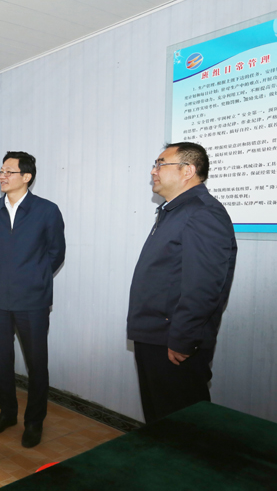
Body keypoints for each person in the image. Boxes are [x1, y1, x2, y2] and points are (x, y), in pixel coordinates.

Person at [127, 142, 237, 424]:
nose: (153, 171)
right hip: (155, 335)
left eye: (160, 164)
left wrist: (183, 339)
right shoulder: (174, 210)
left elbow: (204, 286)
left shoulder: (203, 212)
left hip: (173, 342)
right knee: (160, 422)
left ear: (187, 171)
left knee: (184, 427)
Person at [0, 151, 65, 448]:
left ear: (26, 177)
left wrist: (35, 277)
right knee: (2, 360)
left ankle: (34, 421)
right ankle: (7, 413)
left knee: (36, 363)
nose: (2, 176)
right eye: (1, 171)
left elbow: (56, 253)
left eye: (9, 171)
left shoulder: (46, 210)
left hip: (33, 300)